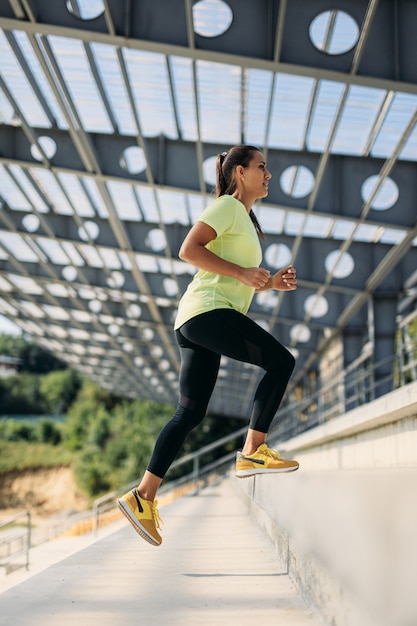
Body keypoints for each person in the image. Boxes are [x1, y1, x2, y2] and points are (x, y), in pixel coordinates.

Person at [117, 145, 299, 546]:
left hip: (199, 318)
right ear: (239, 173)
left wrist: (269, 282)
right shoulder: (227, 207)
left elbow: (237, 278)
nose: (269, 174)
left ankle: (142, 496)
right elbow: (188, 250)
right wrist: (242, 271)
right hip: (207, 312)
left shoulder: (245, 220)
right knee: (281, 362)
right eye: (262, 167)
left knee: (190, 412)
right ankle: (253, 449)